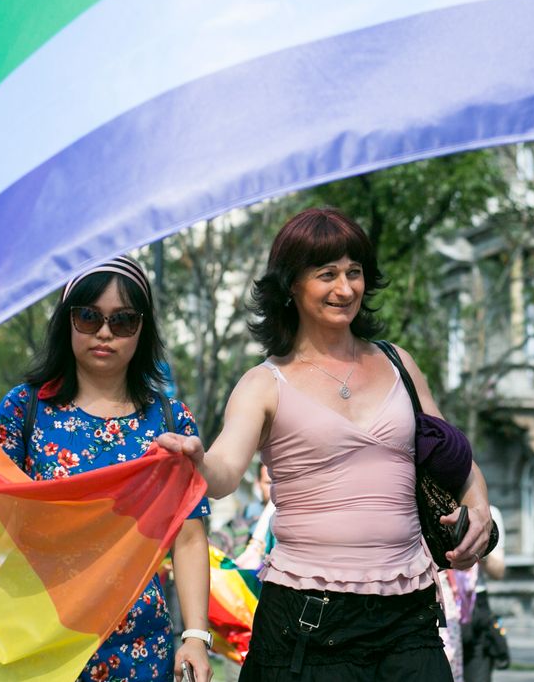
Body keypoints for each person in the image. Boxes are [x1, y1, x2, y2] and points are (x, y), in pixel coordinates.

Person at [157, 206, 494, 681]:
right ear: (291, 285)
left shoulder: (399, 363)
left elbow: (454, 460)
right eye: (327, 274)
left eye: (354, 272)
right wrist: (197, 460)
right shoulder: (264, 382)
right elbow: (225, 472)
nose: (346, 288)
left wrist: (479, 509)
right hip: (306, 624)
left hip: (409, 620)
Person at [0, 256, 213, 682]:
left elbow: (188, 535)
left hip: (140, 650)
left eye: (123, 320)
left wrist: (196, 636)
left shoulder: (170, 420)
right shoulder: (24, 409)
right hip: (35, 639)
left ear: (142, 329)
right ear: (67, 321)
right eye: (89, 317)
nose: (105, 332)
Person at [462, 504, 509, 682]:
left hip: (476, 602)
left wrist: (480, 550)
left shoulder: (489, 513)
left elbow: (499, 571)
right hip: (441, 603)